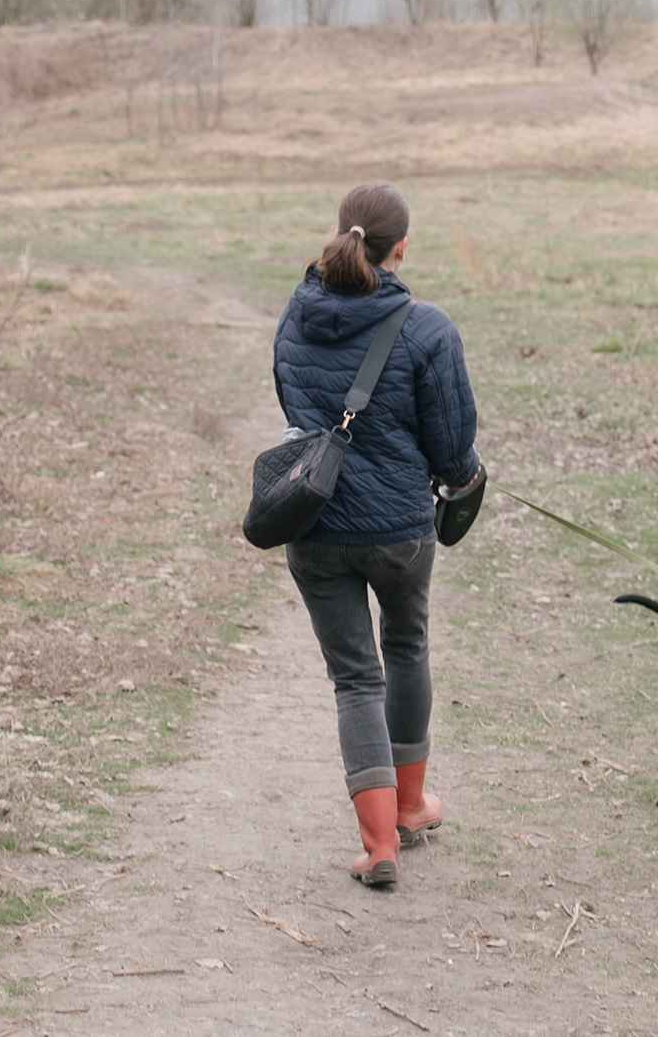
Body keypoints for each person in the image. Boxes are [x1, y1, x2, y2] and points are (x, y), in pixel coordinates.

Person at [272, 182, 482, 888]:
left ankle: (378, 845)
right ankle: (413, 806)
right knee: (406, 647)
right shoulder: (429, 330)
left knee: (354, 679)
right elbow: (454, 457)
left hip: (316, 525)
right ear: (401, 249)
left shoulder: (294, 318)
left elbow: (296, 411)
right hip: (400, 528)